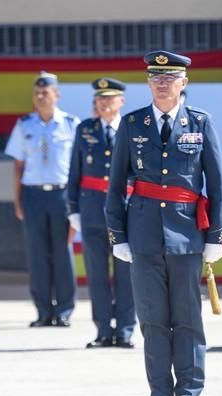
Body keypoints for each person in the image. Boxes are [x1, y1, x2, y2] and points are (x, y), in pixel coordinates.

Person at [105, 50, 222, 396]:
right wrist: (118, 235)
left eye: (170, 77)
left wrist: (215, 236)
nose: (162, 83)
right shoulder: (132, 124)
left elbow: (216, 183)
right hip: (142, 235)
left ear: (183, 83)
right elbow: (115, 186)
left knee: (187, 319)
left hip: (187, 235)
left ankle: (188, 395)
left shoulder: (200, 123)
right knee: (153, 320)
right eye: (156, 78)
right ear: (147, 82)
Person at [5, 72, 79, 327]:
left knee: (62, 251)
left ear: (56, 95)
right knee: (37, 254)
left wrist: (76, 204)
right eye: (36, 93)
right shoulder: (25, 125)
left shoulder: (71, 124)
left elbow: (78, 169)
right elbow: (17, 166)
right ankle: (43, 311)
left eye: (45, 93)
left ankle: (65, 310)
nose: (40, 97)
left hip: (62, 194)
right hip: (33, 195)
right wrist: (18, 202)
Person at [67, 78, 136, 348]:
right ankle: (103, 330)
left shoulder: (132, 129)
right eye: (100, 98)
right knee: (96, 273)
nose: (104, 103)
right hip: (92, 210)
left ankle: (126, 330)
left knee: (126, 273)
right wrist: (73, 209)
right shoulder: (85, 130)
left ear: (122, 101)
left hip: (125, 211)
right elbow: (75, 172)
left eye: (110, 98)